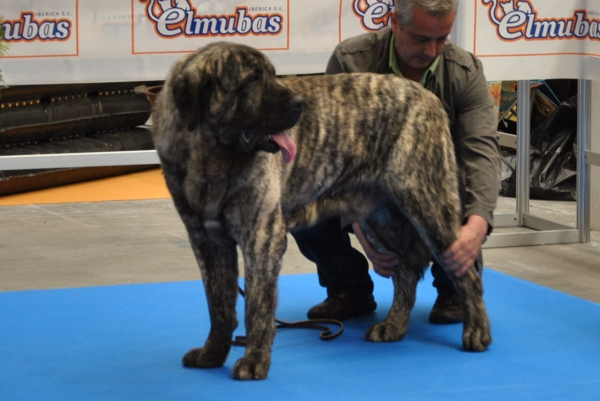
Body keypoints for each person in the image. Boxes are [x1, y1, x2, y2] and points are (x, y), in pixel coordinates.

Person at [291, 0, 501, 324]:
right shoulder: (350, 60)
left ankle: (453, 289)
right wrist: (364, 233)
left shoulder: (465, 71)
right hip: (363, 185)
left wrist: (476, 226)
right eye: (420, 38)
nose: (432, 51)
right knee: (303, 203)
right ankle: (349, 289)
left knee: (461, 194)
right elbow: (336, 160)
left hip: (432, 184)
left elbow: (481, 153)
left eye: (441, 39)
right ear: (394, 22)